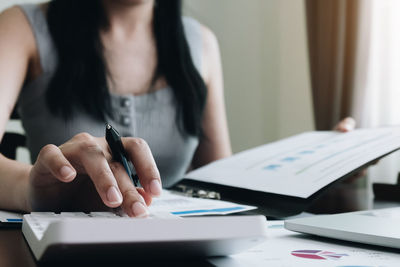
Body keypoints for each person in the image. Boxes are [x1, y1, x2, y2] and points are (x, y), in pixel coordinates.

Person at [0, 0, 232, 217]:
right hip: (66, 244)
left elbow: (222, 184)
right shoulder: (20, 27)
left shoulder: (201, 43)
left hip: (180, 246)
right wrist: (32, 191)